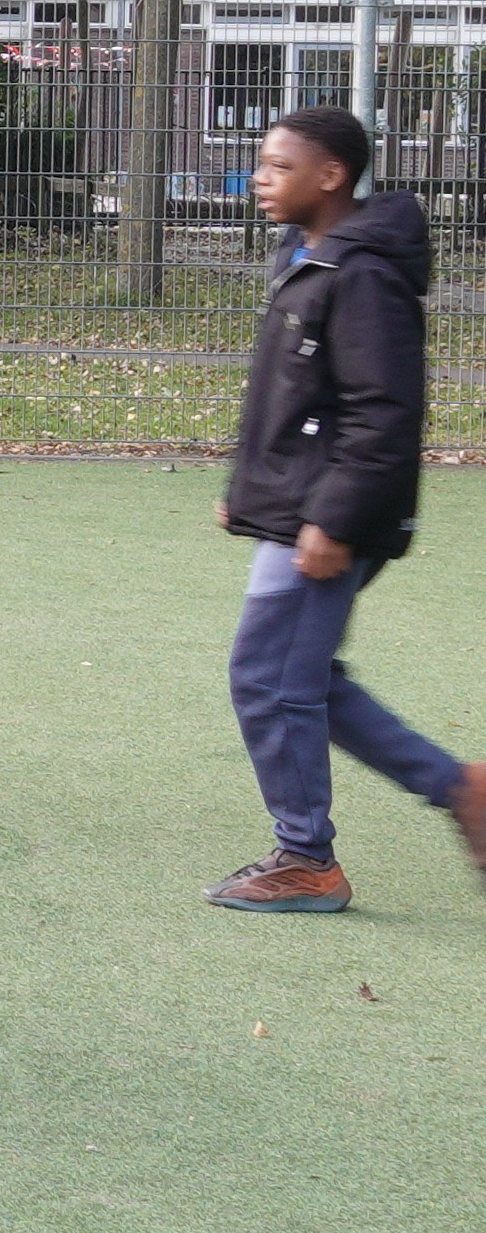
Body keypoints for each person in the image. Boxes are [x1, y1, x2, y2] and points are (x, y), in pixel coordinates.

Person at [203, 105, 486, 913]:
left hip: (330, 517)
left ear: (329, 176)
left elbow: (382, 411)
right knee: (303, 679)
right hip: (298, 506)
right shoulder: (305, 254)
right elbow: (294, 396)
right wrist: (248, 492)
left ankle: (306, 859)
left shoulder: (361, 274)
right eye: (261, 163)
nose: (260, 179)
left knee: (268, 678)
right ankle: (462, 790)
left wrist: (333, 520)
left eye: (278, 166)